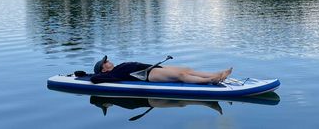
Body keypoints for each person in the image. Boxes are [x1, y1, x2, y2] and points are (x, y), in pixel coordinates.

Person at [90, 55, 232, 85]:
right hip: (148, 74)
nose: (108, 61)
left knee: (187, 69)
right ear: (104, 70)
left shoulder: (117, 67)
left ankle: (217, 74)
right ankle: (210, 80)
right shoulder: (113, 74)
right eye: (105, 63)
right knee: (181, 75)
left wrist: (83, 73)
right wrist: (93, 75)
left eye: (107, 60)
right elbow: (94, 78)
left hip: (151, 67)